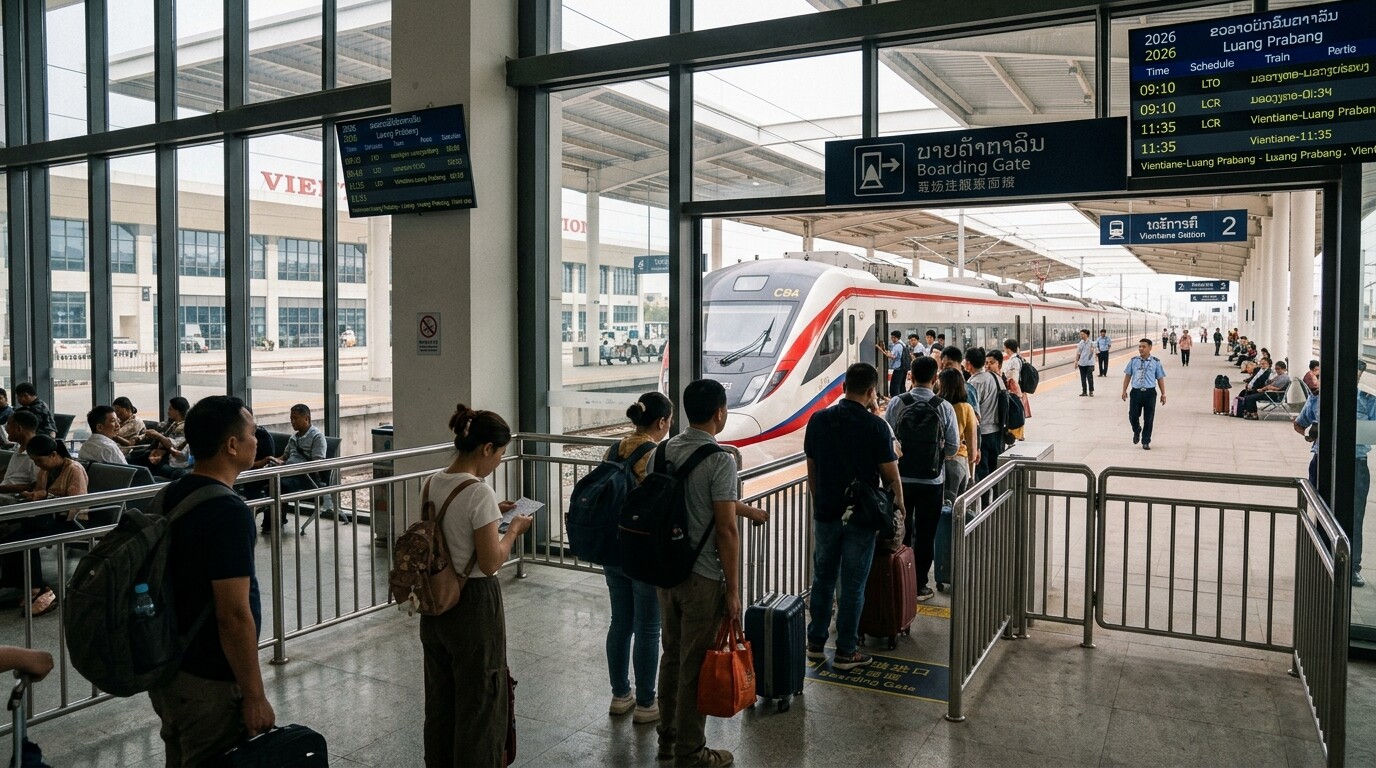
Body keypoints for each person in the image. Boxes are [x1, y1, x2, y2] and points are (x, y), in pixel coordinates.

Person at [148, 396, 275, 766]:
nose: (258, 440)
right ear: (232, 445)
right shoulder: (228, 512)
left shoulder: (170, 493)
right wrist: (254, 694)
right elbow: (233, 614)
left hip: (171, 668)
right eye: (253, 433)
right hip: (209, 680)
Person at [657, 379, 766, 768]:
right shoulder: (720, 460)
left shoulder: (664, 450)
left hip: (666, 571)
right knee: (694, 664)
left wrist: (746, 509)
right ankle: (691, 751)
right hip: (702, 577)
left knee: (671, 655)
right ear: (720, 412)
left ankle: (667, 737)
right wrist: (733, 591)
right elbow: (724, 529)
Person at [420, 405, 530, 767]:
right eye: (499, 453)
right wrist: (512, 530)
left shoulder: (432, 481)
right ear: (486, 449)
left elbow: (446, 532)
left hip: (436, 601)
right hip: (474, 605)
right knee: (481, 697)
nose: (499, 461)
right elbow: (491, 561)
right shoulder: (478, 492)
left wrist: (493, 512)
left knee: (441, 696)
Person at [804, 363, 902, 676]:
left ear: (844, 385)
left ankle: (815, 643)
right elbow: (891, 476)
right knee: (853, 585)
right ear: (872, 392)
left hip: (827, 514)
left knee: (823, 579)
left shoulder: (818, 420)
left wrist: (821, 505)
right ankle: (846, 651)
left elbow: (812, 470)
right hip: (862, 517)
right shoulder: (875, 427)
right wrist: (899, 509)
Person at [604, 392, 671, 725]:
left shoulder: (613, 449)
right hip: (642, 551)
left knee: (621, 622)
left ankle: (620, 695)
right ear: (661, 422)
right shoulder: (655, 454)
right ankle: (646, 703)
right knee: (648, 628)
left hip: (611, 548)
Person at [1294, 362, 1375, 588]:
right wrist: (1310, 434)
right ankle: (1322, 559)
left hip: (1356, 462)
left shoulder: (1368, 399)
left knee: (1355, 515)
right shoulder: (1319, 398)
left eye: (1357, 373)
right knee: (1321, 509)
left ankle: (1353, 567)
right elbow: (1299, 424)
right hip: (1322, 460)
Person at [886, 356, 957, 603]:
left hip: (900, 480)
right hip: (932, 482)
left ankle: (897, 580)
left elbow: (886, 440)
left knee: (899, 531)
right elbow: (953, 447)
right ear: (935, 378)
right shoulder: (944, 406)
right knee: (926, 534)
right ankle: (919, 585)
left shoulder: (897, 403)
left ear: (910, 376)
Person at [1, 436, 88, 615]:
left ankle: (37, 588)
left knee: (24, 540)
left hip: (72, 521)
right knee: (10, 537)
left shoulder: (74, 469)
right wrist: (32, 495)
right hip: (47, 517)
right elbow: (40, 492)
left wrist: (44, 497)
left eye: (39, 461)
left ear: (54, 454)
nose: (38, 465)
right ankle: (21, 584)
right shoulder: (45, 470)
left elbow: (77, 504)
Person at [266, 404, 348, 527]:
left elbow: (316, 465)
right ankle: (274, 519)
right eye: (291, 419)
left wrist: (293, 468)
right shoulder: (294, 437)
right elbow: (284, 456)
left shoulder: (317, 437)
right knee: (270, 483)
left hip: (306, 478)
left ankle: (274, 521)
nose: (292, 422)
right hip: (289, 472)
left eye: (295, 418)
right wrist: (274, 461)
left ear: (306, 419)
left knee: (278, 486)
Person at [935, 367, 979, 509]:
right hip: (958, 460)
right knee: (957, 508)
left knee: (939, 507)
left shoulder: (937, 405)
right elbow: (972, 448)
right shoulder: (966, 408)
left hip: (935, 461)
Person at [1121, 339, 1167, 450]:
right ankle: (1137, 430)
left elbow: (1160, 378)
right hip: (1136, 392)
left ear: (1150, 347)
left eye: (1144, 346)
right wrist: (1124, 390)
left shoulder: (1156, 362)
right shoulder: (1133, 361)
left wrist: (1163, 393)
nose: (1141, 348)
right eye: (1140, 346)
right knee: (1132, 415)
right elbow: (1128, 376)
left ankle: (1146, 441)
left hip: (1150, 393)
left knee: (1149, 418)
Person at [967, 347, 1004, 480]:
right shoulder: (996, 378)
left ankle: (985, 500)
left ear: (968, 364)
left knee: (982, 473)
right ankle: (996, 499)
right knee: (996, 472)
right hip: (997, 432)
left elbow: (971, 413)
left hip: (981, 434)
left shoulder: (973, 383)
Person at [134, 397, 191, 480]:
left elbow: (174, 446)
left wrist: (158, 436)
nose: (168, 411)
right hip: (158, 452)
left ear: (177, 411)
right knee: (138, 456)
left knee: (139, 460)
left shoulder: (184, 427)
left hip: (169, 458)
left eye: (170, 409)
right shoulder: (171, 423)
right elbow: (158, 430)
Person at [0, 412, 40, 494]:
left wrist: (3, 489)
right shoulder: (19, 449)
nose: (6, 429)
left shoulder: (38, 454)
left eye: (8, 425)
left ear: (19, 428)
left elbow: (34, 486)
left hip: (14, 499)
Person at [877, 330, 907, 399]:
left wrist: (882, 350)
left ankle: (895, 399)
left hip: (898, 368)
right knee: (901, 386)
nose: (892, 339)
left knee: (894, 386)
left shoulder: (897, 346)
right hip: (902, 368)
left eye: (893, 337)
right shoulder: (902, 344)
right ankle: (902, 399)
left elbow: (892, 356)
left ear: (897, 338)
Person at [1075, 329, 1095, 397]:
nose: (1081, 335)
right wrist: (1076, 361)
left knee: (1090, 378)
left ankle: (1091, 391)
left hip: (1089, 363)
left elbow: (1094, 352)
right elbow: (1078, 353)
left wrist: (1092, 351)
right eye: (1080, 334)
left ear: (1086, 334)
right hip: (1082, 363)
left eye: (1082, 334)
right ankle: (1084, 391)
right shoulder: (1080, 343)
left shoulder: (1092, 343)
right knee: (1083, 378)